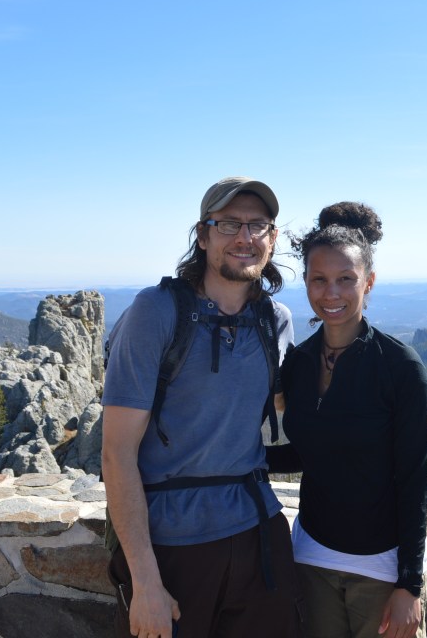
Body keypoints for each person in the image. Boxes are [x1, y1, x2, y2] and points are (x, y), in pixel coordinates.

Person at [101, 176, 304, 638]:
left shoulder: (276, 322)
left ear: (272, 238)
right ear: (203, 234)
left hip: (258, 535)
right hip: (172, 542)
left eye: (258, 225)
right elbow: (116, 454)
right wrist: (145, 581)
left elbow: (289, 411)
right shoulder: (155, 313)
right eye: (229, 223)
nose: (244, 237)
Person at [267, 202, 427, 638]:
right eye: (319, 280)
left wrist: (409, 585)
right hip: (312, 556)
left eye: (346, 280)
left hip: (381, 565)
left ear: (369, 282)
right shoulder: (299, 364)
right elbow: (314, 451)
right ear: (305, 282)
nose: (332, 293)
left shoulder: (399, 367)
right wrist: (243, 458)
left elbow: (414, 477)